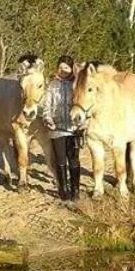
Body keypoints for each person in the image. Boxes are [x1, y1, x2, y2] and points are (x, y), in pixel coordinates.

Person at [42, 54, 82, 201]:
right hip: (56, 128)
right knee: (60, 160)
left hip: (73, 129)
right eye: (61, 67)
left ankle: (75, 191)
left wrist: (80, 124)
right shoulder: (52, 85)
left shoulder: (76, 85)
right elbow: (46, 106)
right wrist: (47, 118)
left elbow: (83, 103)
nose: (63, 70)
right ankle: (63, 191)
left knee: (74, 160)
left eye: (66, 67)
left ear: (72, 69)